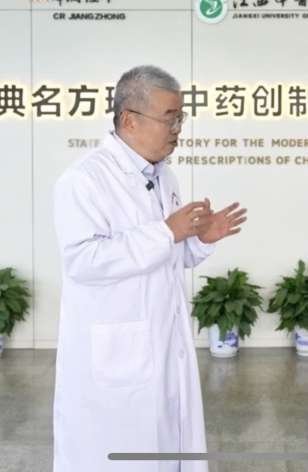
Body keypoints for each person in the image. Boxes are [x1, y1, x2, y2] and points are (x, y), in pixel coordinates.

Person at [52, 65, 247, 472]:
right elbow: (83, 260)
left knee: (167, 449)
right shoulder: (84, 180)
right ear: (130, 120)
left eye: (180, 118)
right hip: (116, 359)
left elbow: (169, 258)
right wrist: (166, 232)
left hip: (164, 347)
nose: (178, 129)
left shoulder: (164, 176)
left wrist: (199, 240)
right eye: (169, 119)